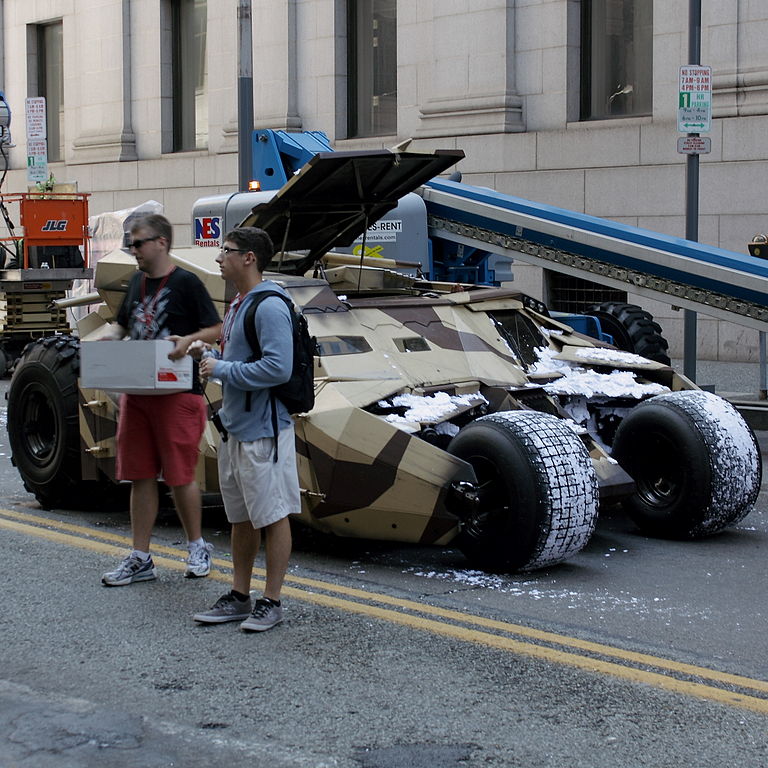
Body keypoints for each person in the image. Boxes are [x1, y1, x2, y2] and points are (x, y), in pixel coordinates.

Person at [101, 214, 222, 586]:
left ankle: (197, 546)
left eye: (139, 243)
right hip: (139, 392)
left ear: (162, 242)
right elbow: (124, 323)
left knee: (179, 474)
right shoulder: (136, 282)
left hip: (177, 392)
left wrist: (188, 341)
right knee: (139, 474)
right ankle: (141, 556)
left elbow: (217, 328)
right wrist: (110, 337)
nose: (133, 250)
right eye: (131, 244)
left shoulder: (186, 283)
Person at [193, 226, 300, 632]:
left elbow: (278, 367)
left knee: (272, 516)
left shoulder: (269, 306)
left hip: (264, 431)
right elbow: (243, 360)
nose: (220, 257)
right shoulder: (238, 304)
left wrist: (223, 368)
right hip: (236, 429)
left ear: (249, 258)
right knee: (240, 517)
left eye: (227, 250)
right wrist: (214, 356)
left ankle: (271, 601)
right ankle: (240, 596)